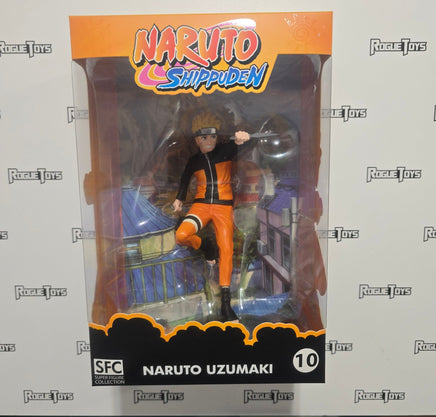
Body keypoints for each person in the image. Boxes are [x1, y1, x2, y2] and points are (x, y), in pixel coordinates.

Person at [172, 112, 250, 322]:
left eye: (213, 136)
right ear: (196, 140)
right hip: (201, 206)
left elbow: (242, 146)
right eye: (204, 137)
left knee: (227, 249)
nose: (209, 141)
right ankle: (205, 246)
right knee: (181, 235)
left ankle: (225, 303)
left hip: (224, 208)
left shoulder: (225, 150)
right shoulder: (193, 161)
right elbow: (184, 179)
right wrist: (179, 198)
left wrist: (243, 138)